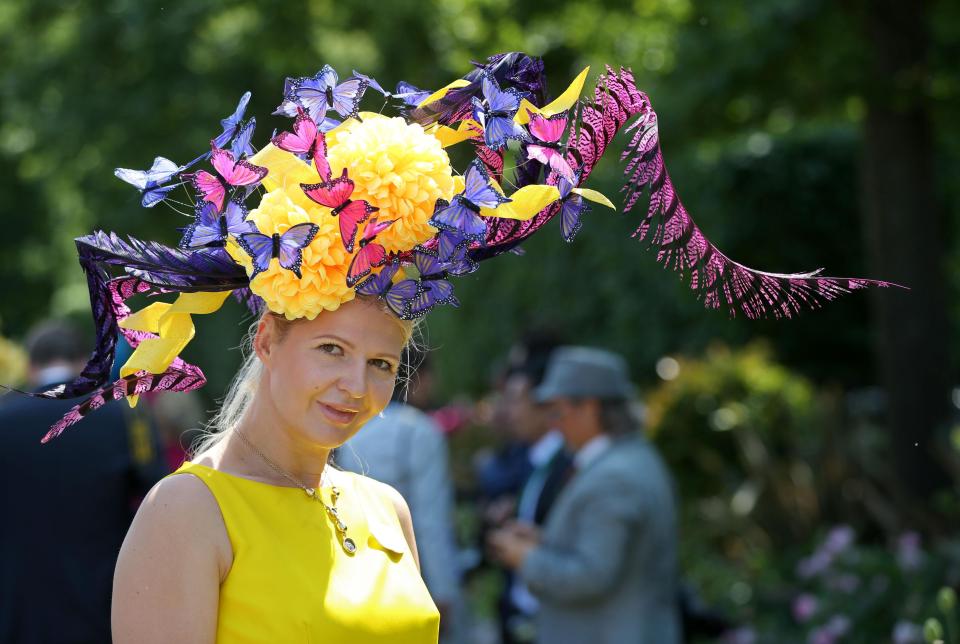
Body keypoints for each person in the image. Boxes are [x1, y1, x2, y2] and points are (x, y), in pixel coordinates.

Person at [28, 51, 888, 644]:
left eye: (381, 363)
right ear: (268, 335)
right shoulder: (189, 514)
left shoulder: (385, 508)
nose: (356, 386)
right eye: (331, 350)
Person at [488, 346, 682, 644]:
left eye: (557, 411)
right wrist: (545, 541)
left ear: (589, 408)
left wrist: (525, 557)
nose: (552, 423)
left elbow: (591, 577)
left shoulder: (614, 477)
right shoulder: (629, 459)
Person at [0, 320, 165, 644]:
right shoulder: (126, 416)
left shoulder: (4, 418)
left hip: (17, 602)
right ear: (83, 363)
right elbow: (157, 497)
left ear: (31, 367)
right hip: (100, 600)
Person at [338, 349, 466, 643]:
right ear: (417, 379)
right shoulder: (419, 431)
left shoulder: (350, 426)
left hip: (358, 572)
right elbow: (431, 519)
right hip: (413, 574)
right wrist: (444, 592)